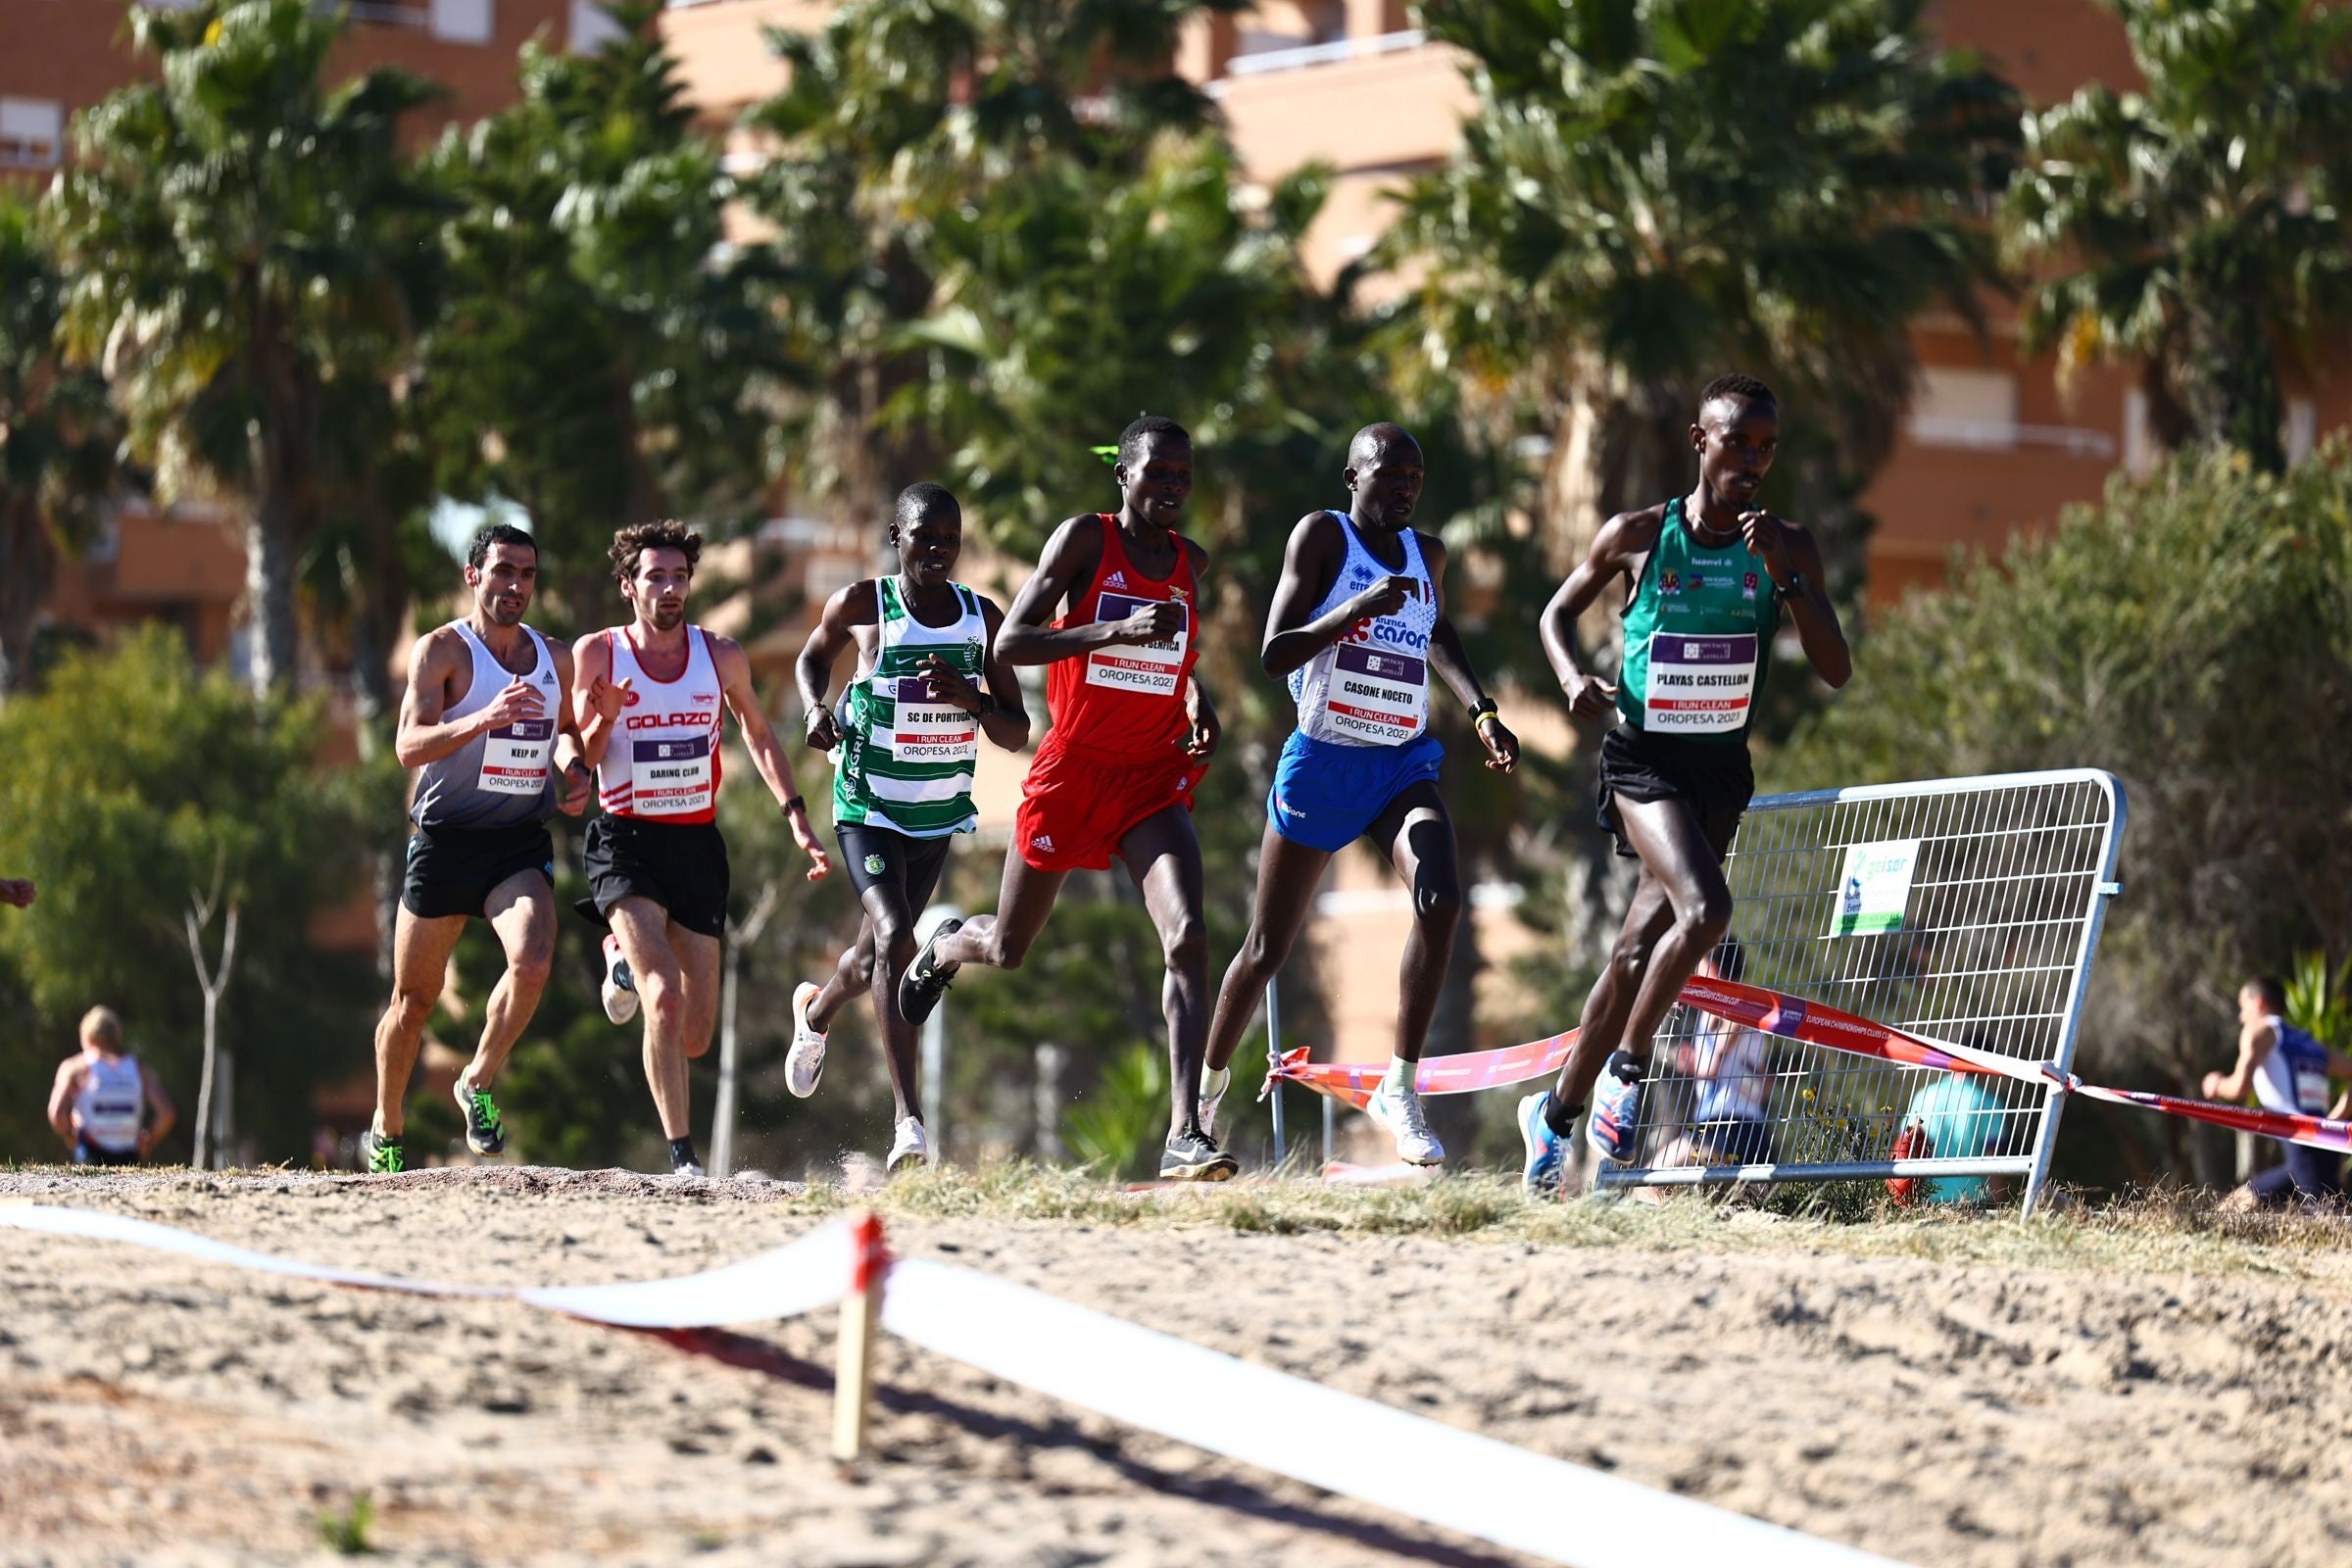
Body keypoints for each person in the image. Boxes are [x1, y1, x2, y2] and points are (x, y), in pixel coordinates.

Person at [1518, 373, 1852, 1195]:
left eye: (1766, 448)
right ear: (1699, 442)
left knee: (1637, 947)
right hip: (1642, 760)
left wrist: (1787, 578)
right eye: (1737, 443)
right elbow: (1554, 616)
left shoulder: (1788, 543)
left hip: (1719, 768)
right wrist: (1568, 679)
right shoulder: (1638, 535)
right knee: (1707, 910)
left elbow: (1835, 668)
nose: (1752, 461)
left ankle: (1554, 1116)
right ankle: (1626, 1075)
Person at [898, 416, 1232, 1182]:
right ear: (1125, 475)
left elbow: (1176, 647)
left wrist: (1193, 699)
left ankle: (1186, 1131)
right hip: (1072, 771)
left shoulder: (1192, 561)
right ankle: (947, 945)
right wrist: (1109, 633)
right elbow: (1009, 643)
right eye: (1158, 473)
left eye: (1183, 475)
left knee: (1186, 937)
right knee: (1009, 950)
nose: (1172, 487)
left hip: (1150, 777)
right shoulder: (1087, 541)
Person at [1194, 423, 1518, 1166]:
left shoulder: (1425, 554)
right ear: (1352, 478)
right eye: (1389, 473)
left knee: (1439, 898)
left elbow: (1437, 637)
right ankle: (1202, 1102)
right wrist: (1355, 610)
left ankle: (1399, 1090)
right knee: (1265, 948)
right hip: (1323, 762)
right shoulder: (1323, 538)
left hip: (1401, 765)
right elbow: (1276, 653)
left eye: (1415, 476)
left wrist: (1483, 710)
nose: (1404, 486)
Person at [575, 518, 832, 1177]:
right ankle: (683, 1157)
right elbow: (581, 762)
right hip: (625, 839)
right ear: (628, 585)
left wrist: (795, 815)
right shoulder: (600, 655)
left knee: (693, 1034)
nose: (669, 589)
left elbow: (758, 733)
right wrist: (607, 714)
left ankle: (618, 957)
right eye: (655, 577)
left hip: (695, 842)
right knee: (660, 995)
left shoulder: (719, 655)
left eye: (679, 577)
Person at [790, 483, 1032, 1171]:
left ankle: (814, 1016)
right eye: (924, 538)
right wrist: (814, 709)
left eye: (949, 541)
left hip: (934, 817)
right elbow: (812, 659)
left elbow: (1016, 732)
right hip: (865, 806)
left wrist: (973, 699)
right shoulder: (864, 605)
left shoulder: (983, 619)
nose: (937, 551)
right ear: (897, 537)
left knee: (871, 962)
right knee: (898, 937)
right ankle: (909, 1125)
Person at [363, 523, 593, 1175]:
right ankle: (387, 1127)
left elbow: (566, 732)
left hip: (515, 844)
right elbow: (408, 745)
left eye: (527, 574)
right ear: (474, 576)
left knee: (534, 957)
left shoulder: (556, 658)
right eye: (502, 572)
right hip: (443, 840)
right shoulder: (441, 652)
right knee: (413, 1006)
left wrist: (574, 771)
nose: (516, 585)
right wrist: (484, 718)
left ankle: (478, 1081)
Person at [2202, 975, 2352, 1210]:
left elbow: (2240, 1088)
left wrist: (2216, 1084)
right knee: (2236, 1205)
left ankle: (2210, 1222)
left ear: (2259, 1003)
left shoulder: (2259, 1032)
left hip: (2301, 1143)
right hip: (2324, 1143)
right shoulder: (2311, 1043)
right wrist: (2337, 1116)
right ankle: (2211, 1220)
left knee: (2330, 1220)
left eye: (2243, 1007)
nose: (2241, 1017)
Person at [1653, 943, 1778, 1173]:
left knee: (1653, 1176)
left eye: (1700, 964)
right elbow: (1765, 1080)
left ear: (1711, 966)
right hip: (1739, 1123)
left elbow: (1712, 1065)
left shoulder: (1738, 1002)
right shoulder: (1716, 1009)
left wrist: (1709, 1061)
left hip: (1725, 1125)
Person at [48, 1006, 175, 1166]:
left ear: (87, 1037)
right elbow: (167, 1114)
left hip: (90, 1152)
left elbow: (57, 1114)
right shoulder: (138, 1068)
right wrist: (149, 1139)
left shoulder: (77, 1067)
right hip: (129, 1154)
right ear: (116, 1037)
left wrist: (69, 1134)